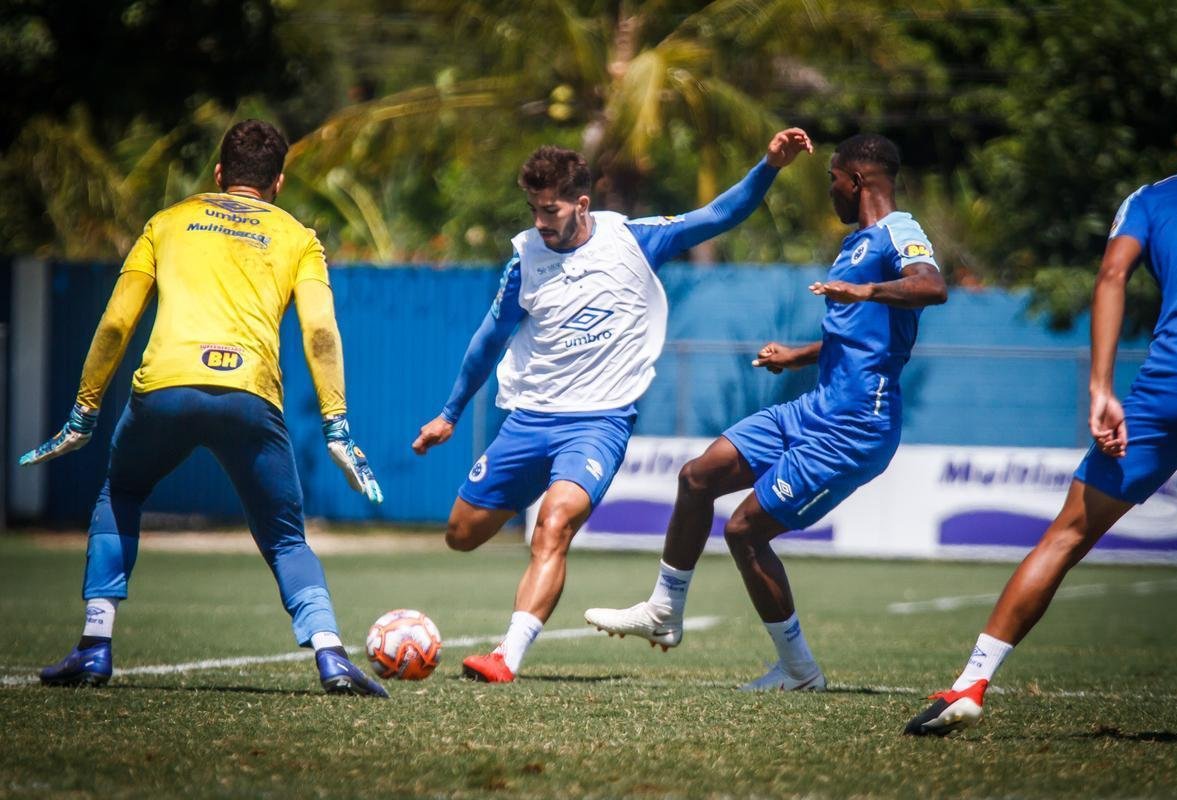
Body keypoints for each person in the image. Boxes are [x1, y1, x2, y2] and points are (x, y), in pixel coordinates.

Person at [411, 128, 815, 682]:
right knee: (462, 535)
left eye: (549, 210)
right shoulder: (524, 259)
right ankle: (537, 484)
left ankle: (507, 656)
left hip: (597, 424)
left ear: (581, 203)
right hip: (529, 419)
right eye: (531, 209)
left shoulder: (634, 240)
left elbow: (719, 214)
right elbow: (489, 339)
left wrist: (768, 164)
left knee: (552, 527)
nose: (539, 221)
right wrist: (449, 415)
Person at [26, 120, 389, 698]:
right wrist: (337, 427)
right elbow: (320, 330)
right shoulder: (298, 237)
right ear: (279, 182)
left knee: (121, 493)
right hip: (249, 394)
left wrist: (84, 412)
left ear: (219, 174)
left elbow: (118, 321)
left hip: (164, 388)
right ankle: (331, 656)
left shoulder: (167, 222)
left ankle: (95, 645)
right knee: (286, 538)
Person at [586, 133, 948, 691]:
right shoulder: (858, 243)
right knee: (698, 476)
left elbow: (932, 286)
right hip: (814, 408)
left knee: (745, 532)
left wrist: (868, 290)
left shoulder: (900, 230)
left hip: (854, 427)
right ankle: (664, 609)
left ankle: (800, 671)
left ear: (856, 180)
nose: (830, 190)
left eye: (832, 178)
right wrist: (797, 354)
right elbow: (858, 340)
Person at [904, 95, 1177, 736]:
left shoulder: (1150, 199)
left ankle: (970, 683)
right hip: (1172, 386)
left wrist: (1100, 385)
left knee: (1066, 534)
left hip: (1173, 384)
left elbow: (1112, 276)